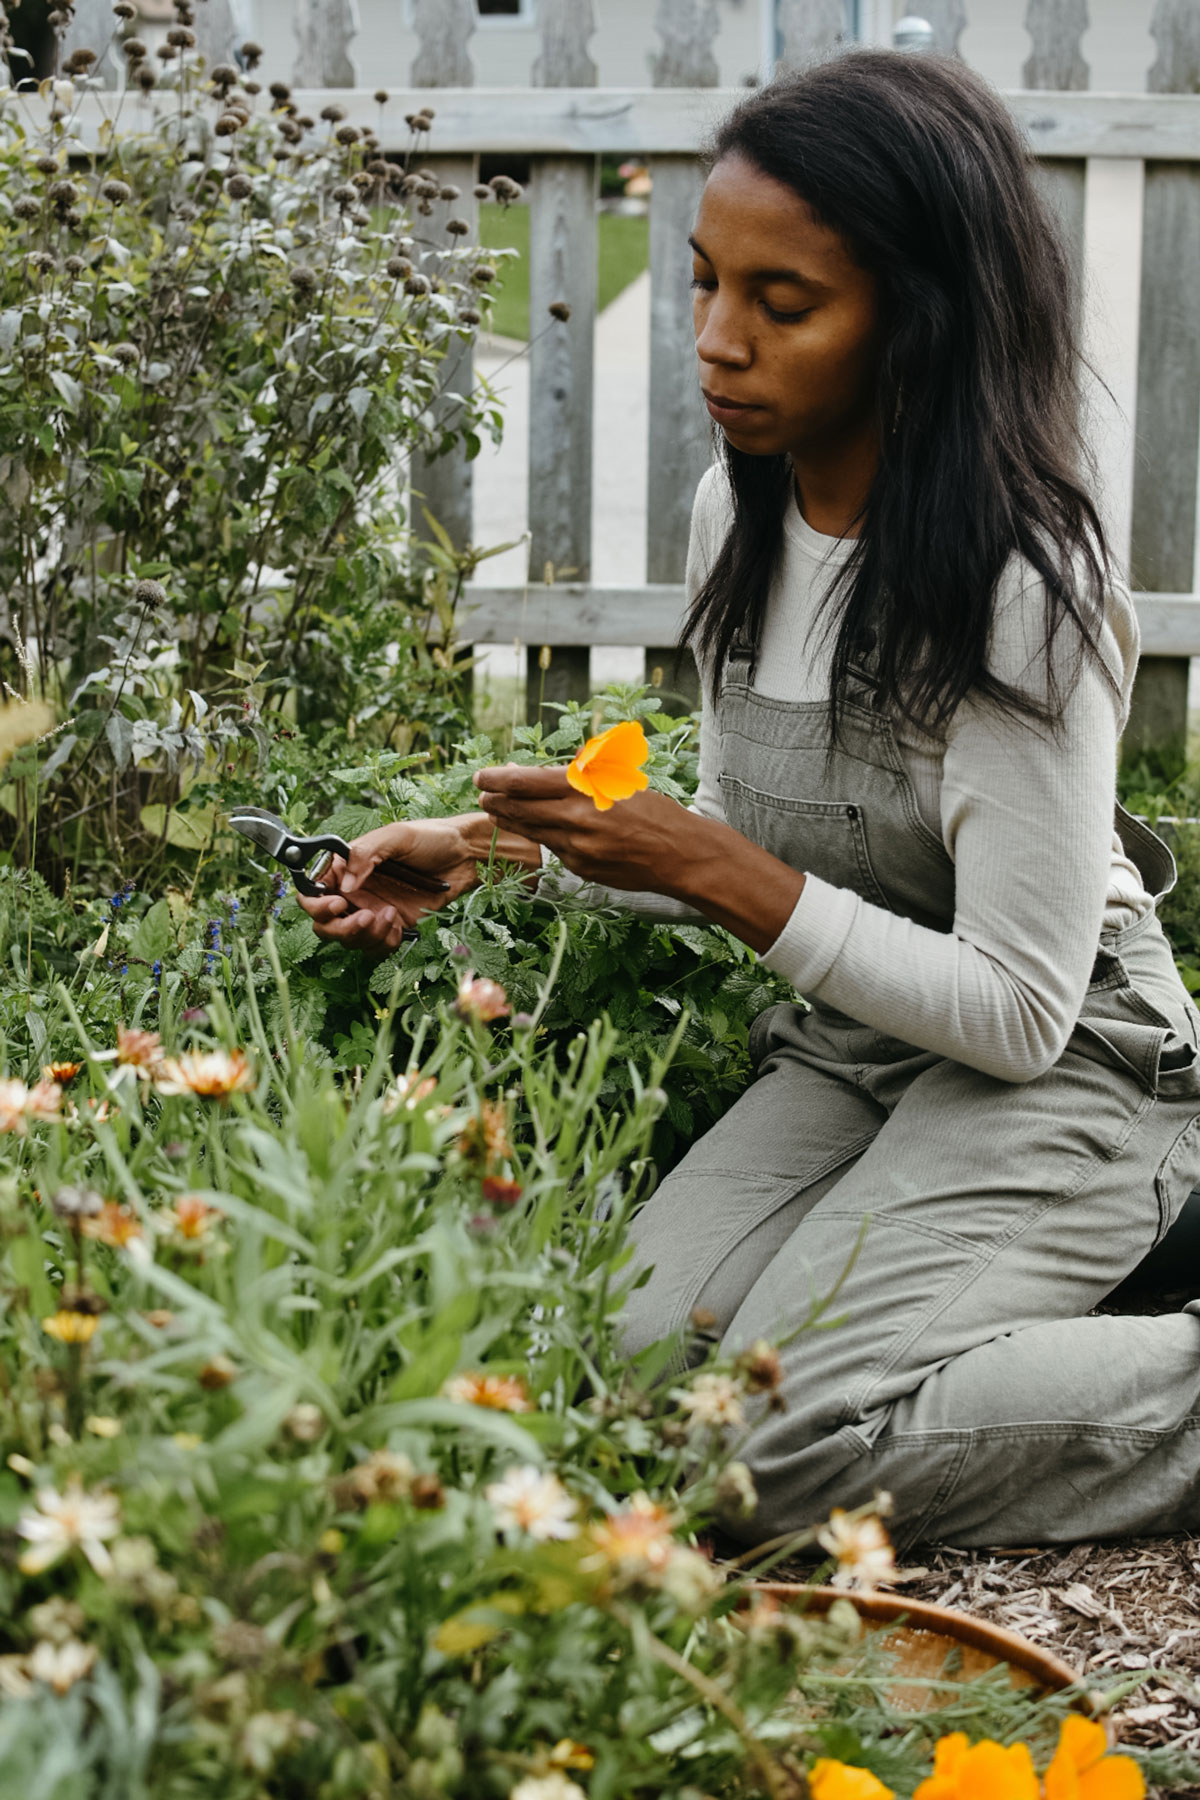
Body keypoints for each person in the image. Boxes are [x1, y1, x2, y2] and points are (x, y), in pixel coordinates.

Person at [299, 50, 1200, 1551]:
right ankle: (1003, 1309)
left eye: (783, 307)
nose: (716, 342)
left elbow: (1018, 1013)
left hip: (1071, 1079)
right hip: (857, 1056)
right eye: (710, 283)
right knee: (614, 1379)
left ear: (918, 322)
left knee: (776, 1458)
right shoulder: (748, 509)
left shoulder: (1022, 593)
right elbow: (745, 829)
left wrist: (720, 873)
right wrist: (486, 853)